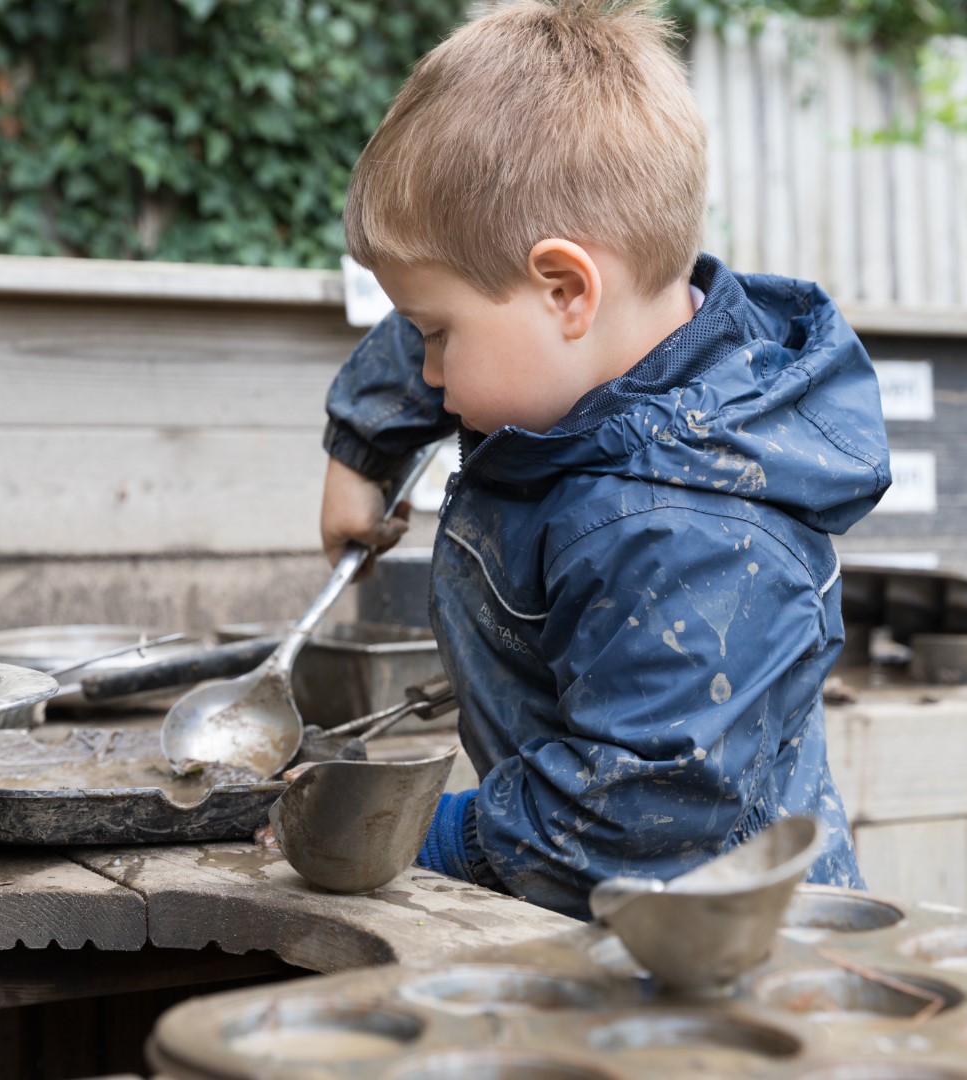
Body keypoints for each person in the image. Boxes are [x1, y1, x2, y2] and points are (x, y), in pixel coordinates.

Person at [319, 0, 890, 918]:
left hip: (713, 970)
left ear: (567, 289)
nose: (425, 367)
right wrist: (362, 447)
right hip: (595, 921)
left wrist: (428, 834)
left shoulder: (686, 535)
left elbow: (642, 813)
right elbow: (465, 294)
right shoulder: (599, 338)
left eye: (436, 337)